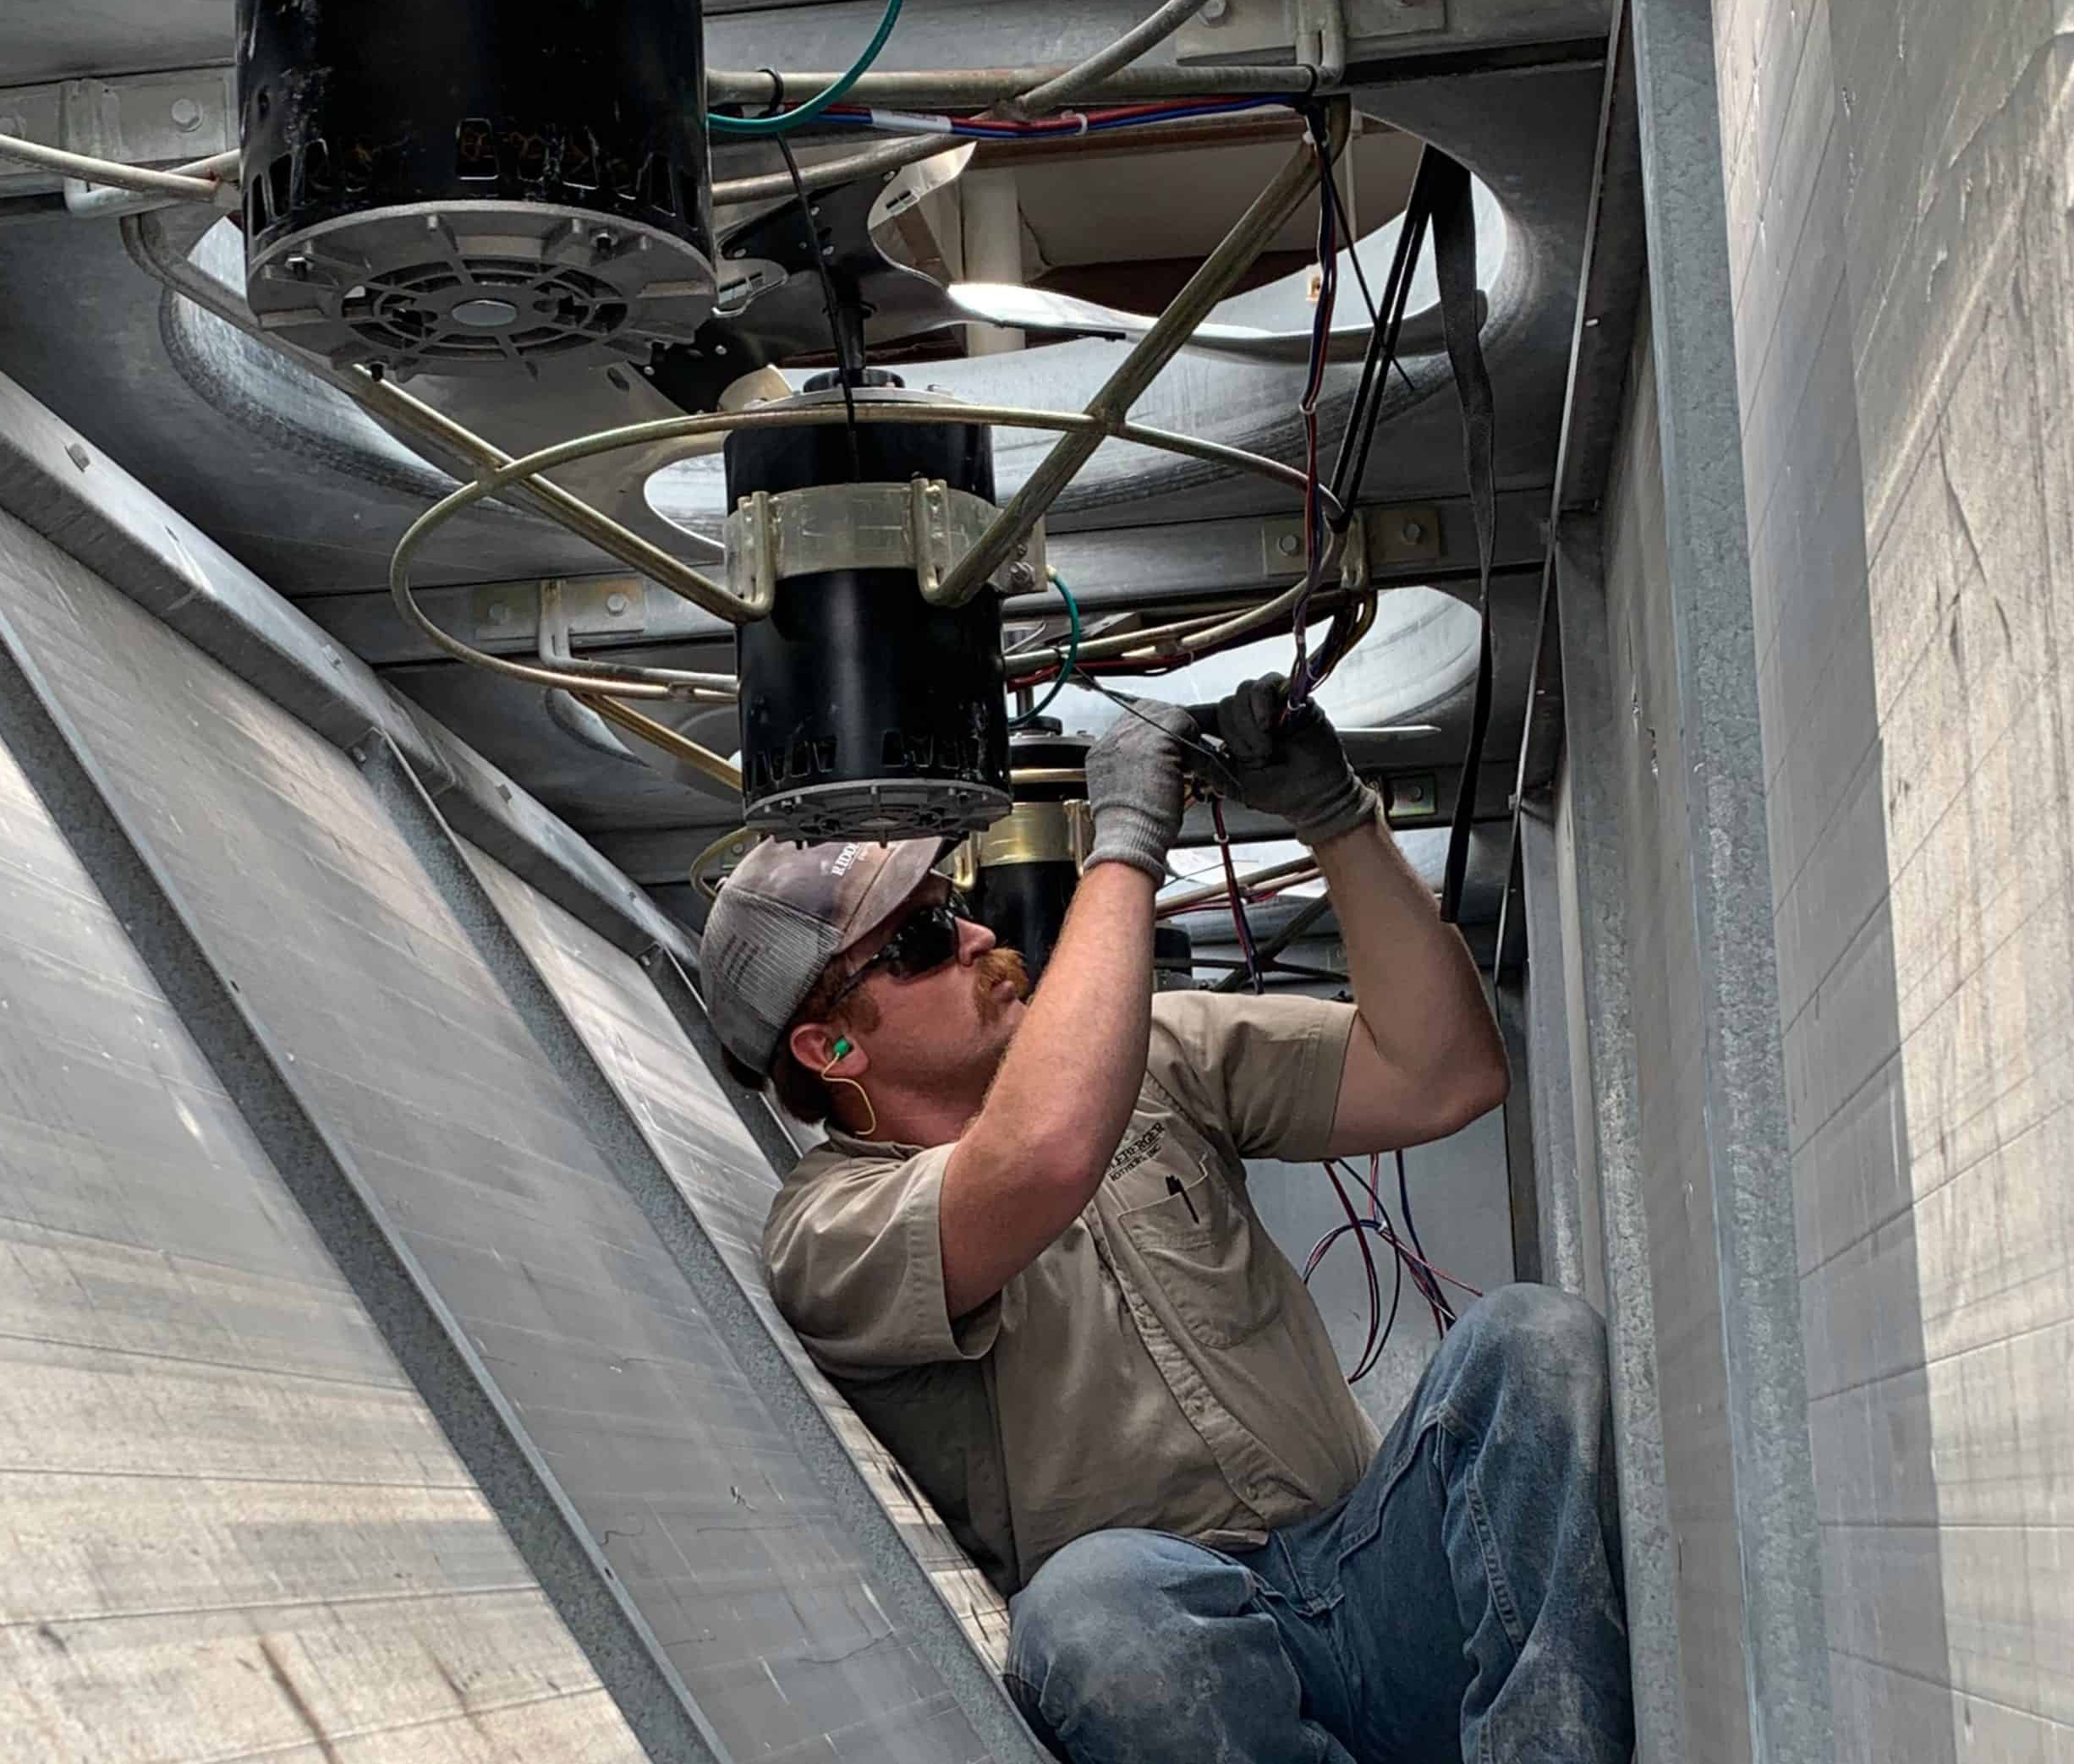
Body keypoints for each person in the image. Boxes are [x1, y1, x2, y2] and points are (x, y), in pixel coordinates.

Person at [700, 676, 1634, 1764]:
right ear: (830, 1049)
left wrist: (1334, 816)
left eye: (948, 908)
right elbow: (1042, 1153)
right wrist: (1125, 847)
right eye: (912, 945)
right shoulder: (830, 1229)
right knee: (1088, 1607)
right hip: (1182, 1662)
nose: (968, 938)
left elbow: (1446, 1075)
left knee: (1528, 1337)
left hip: (1374, 1572)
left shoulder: (1155, 1056)